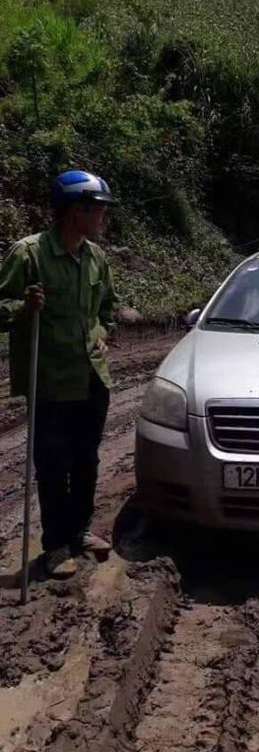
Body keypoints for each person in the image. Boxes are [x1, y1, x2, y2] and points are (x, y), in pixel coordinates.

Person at [0, 170, 118, 578]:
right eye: (99, 209)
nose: (104, 217)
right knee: (52, 465)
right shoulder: (29, 255)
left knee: (86, 459)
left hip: (91, 378)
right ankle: (54, 546)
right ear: (75, 211)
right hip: (50, 381)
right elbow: (1, 306)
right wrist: (23, 309)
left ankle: (79, 530)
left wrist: (104, 331)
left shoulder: (96, 257)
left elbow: (108, 308)